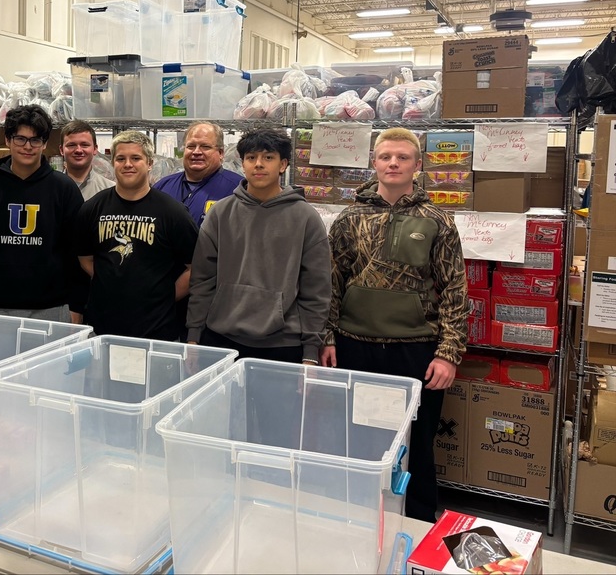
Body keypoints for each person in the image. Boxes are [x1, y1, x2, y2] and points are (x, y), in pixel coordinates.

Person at [321, 126, 467, 523]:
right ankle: (356, 515)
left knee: (417, 441)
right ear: (374, 162)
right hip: (355, 344)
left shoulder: (436, 220)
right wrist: (328, 336)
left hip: (416, 348)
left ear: (417, 165)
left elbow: (455, 290)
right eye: (386, 156)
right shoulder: (350, 218)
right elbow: (332, 282)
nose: (393, 163)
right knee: (358, 437)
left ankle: (418, 522)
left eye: (402, 157)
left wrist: (449, 354)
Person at [187, 127, 330, 364]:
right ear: (242, 164)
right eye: (251, 158)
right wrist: (193, 335)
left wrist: (311, 352)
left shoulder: (306, 217)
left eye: (268, 158)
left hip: (283, 344)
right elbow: (203, 279)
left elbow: (316, 289)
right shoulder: (220, 213)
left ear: (283, 165)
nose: (259, 164)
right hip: (221, 338)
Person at [0, 104, 84, 321]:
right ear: (8, 140)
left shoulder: (64, 189)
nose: (27, 146)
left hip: (51, 308)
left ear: (45, 143)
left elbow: (76, 255)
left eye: (35, 140)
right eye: (20, 139)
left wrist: (76, 306)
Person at [76, 130, 197, 341]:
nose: (127, 164)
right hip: (103, 327)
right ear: (113, 163)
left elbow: (195, 268)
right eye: (120, 158)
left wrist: (164, 296)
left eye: (136, 158)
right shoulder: (93, 208)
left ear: (149, 163)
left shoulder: (173, 212)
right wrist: (111, 283)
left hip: (156, 330)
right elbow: (84, 257)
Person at [153, 121, 241, 227]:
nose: (196, 152)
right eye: (191, 146)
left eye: (205, 146)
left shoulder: (238, 189)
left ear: (221, 153)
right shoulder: (162, 186)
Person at [60, 119, 115, 201]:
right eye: (71, 145)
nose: (78, 150)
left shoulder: (111, 190)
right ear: (61, 150)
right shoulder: (49, 187)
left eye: (84, 145)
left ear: (95, 149)